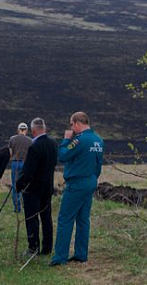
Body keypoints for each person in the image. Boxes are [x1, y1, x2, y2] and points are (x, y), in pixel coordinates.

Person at [50, 112, 104, 266]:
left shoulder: (80, 140)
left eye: (71, 124)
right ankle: (81, 254)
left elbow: (63, 155)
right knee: (83, 219)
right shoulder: (98, 140)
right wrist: (92, 179)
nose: (71, 127)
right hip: (90, 181)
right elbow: (98, 165)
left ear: (77, 123)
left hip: (77, 183)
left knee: (65, 219)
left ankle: (60, 257)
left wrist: (66, 139)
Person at [16, 117, 58, 256]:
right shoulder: (53, 143)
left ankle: (33, 248)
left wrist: (19, 184)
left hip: (33, 189)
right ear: (44, 128)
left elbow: (28, 172)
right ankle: (47, 248)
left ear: (33, 131)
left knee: (32, 218)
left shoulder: (34, 147)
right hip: (47, 187)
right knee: (46, 218)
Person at [8, 122, 32, 212]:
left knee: (15, 186)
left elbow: (10, 153)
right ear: (26, 130)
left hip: (15, 163)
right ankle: (26, 206)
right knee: (26, 186)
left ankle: (17, 208)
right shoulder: (30, 141)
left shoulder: (12, 139)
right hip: (25, 164)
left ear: (18, 129)